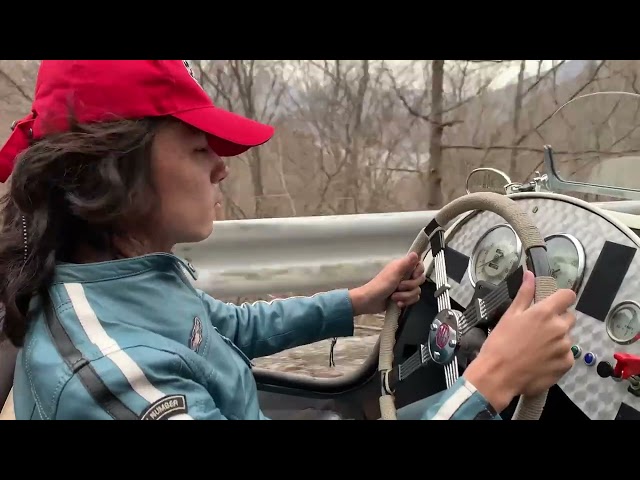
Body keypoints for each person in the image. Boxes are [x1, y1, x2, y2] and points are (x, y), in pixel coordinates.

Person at [0, 60, 576, 420]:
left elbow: (224, 328)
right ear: (112, 174)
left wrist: (357, 301)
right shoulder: (119, 381)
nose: (221, 169)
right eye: (200, 149)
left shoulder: (127, 280)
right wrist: (492, 379)